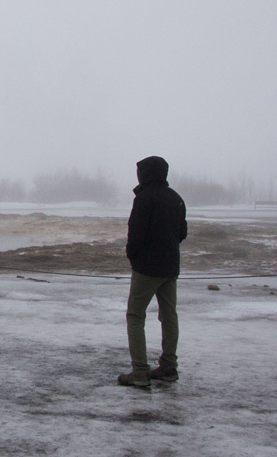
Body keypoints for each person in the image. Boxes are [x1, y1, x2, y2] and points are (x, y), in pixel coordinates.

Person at [118, 156, 187, 388]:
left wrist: (134, 256)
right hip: (170, 267)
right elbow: (182, 233)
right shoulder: (176, 198)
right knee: (169, 316)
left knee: (135, 316)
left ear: (145, 174)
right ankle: (168, 366)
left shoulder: (144, 199)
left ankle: (140, 371)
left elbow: (135, 234)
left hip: (147, 268)